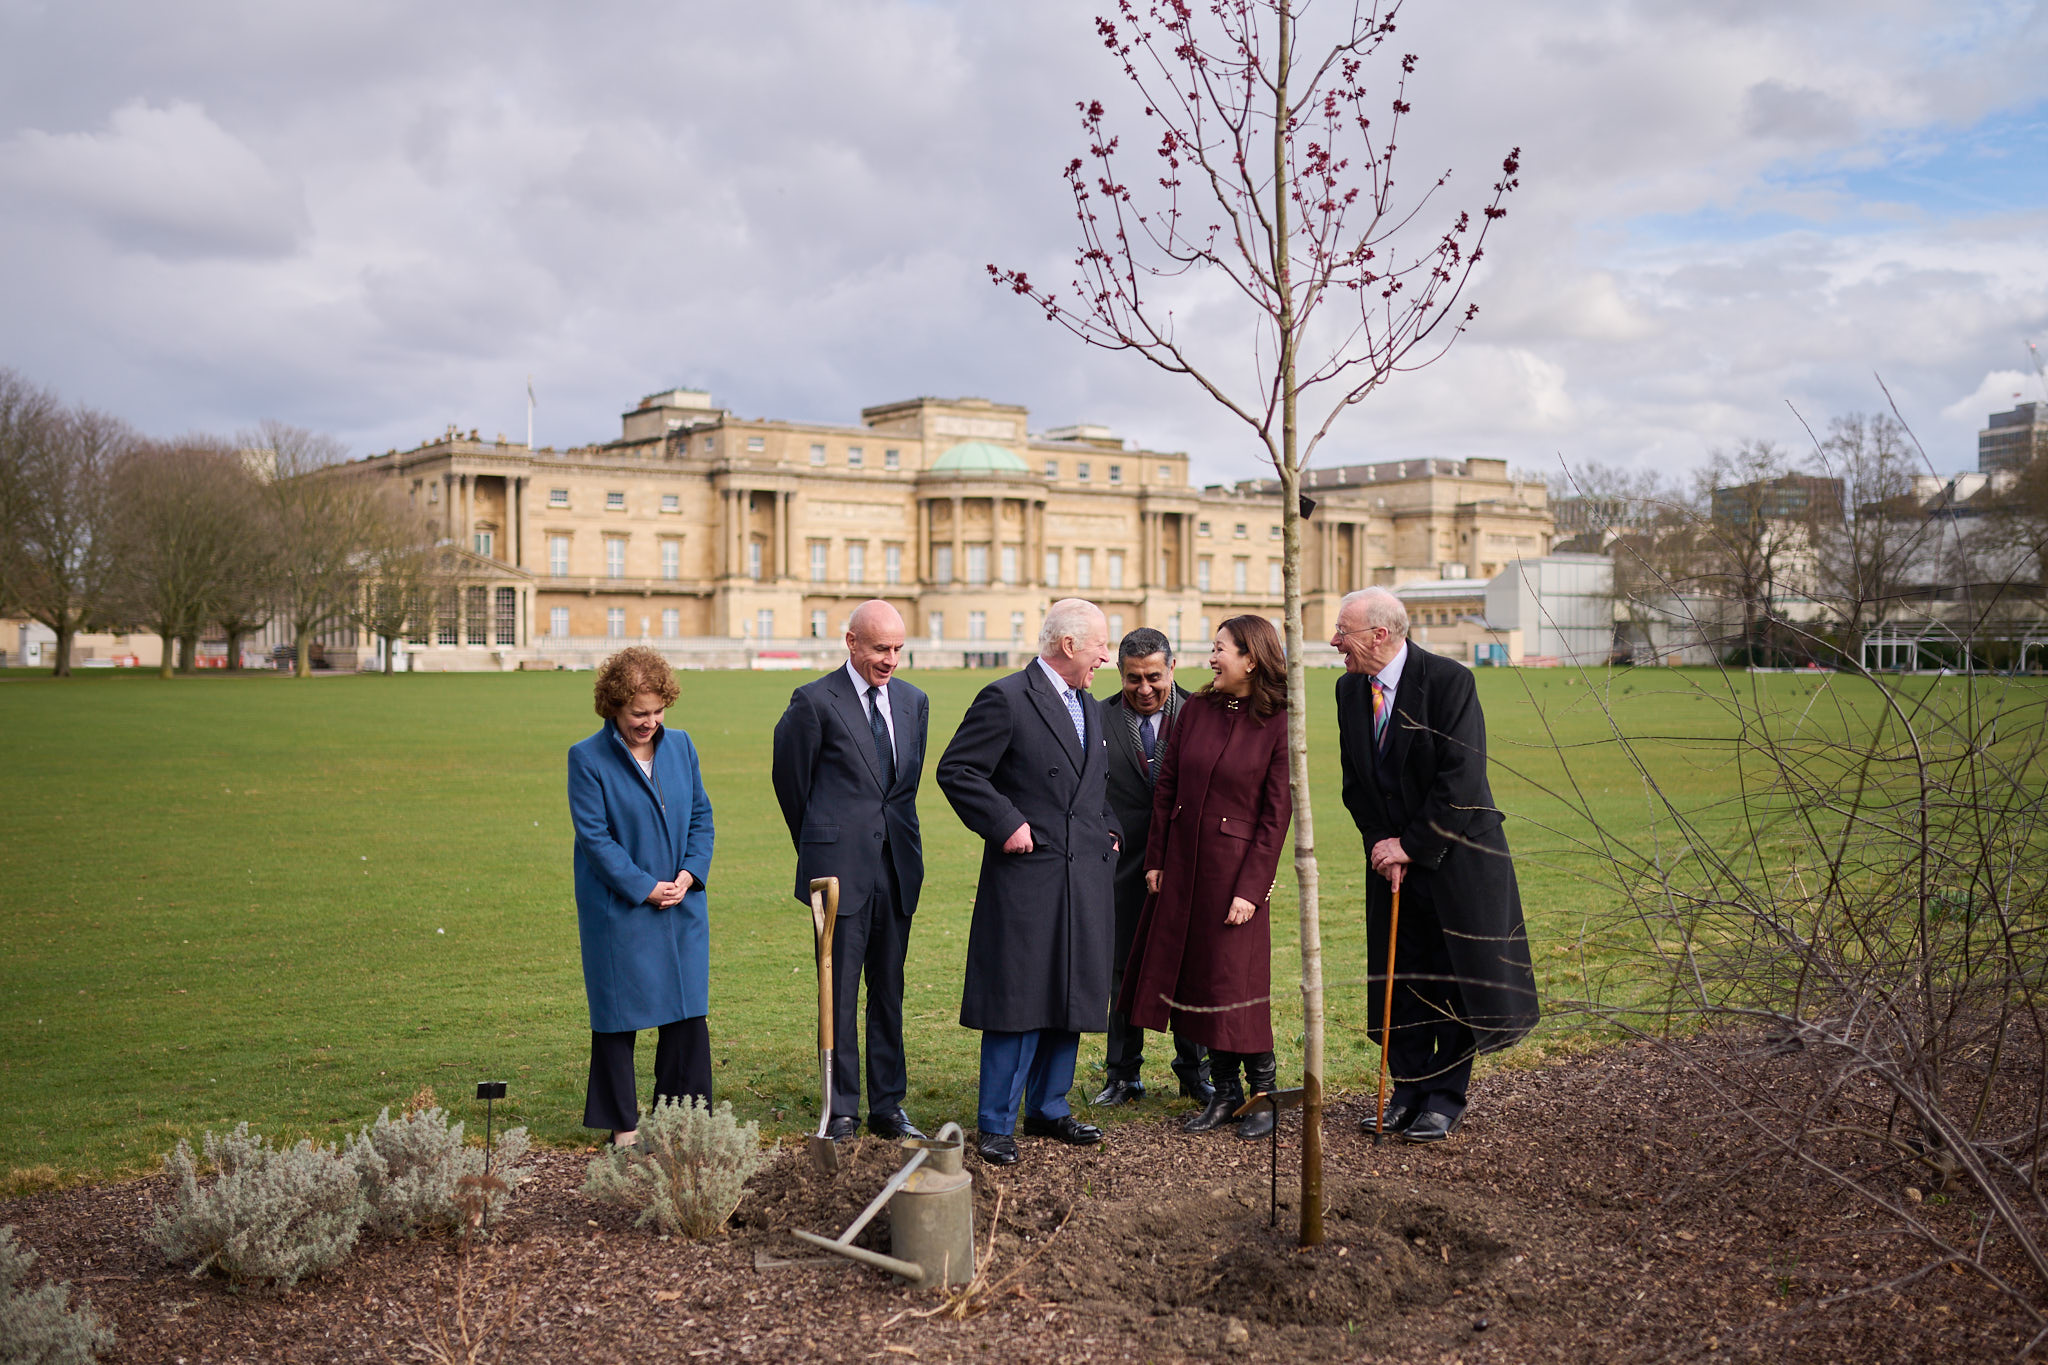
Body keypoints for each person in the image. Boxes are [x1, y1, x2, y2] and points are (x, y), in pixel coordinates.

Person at [1331, 587, 1538, 1143]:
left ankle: (1444, 1098)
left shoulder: (1449, 682)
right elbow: (1356, 782)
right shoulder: (1349, 690)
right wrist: (1381, 843)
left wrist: (1413, 846)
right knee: (1402, 979)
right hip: (1391, 863)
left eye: (1342, 632)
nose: (1333, 642)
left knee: (1452, 982)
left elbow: (1461, 778)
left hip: (1456, 860)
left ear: (1381, 635)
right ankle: (1407, 1090)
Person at [936, 599, 1121, 1166]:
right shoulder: (1006, 697)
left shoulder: (1087, 704)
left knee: (1071, 993)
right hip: (1028, 877)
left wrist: (1109, 830)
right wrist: (1005, 822)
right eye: (1100, 647)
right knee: (1017, 998)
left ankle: (1048, 1108)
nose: (1106, 658)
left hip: (1084, 874)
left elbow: (1094, 787)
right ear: (1069, 646)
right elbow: (958, 770)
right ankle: (995, 1121)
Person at [1120, 616, 1293, 1139]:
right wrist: (1156, 858)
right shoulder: (1197, 707)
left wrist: (1252, 889)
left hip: (1233, 877)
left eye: (1220, 649)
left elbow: (1275, 814)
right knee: (1197, 982)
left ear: (1251, 658)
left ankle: (1263, 1097)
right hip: (1183, 869)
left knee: (1235, 986)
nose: (1211, 658)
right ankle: (1226, 1095)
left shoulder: (1282, 720)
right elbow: (1167, 783)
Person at [770, 599, 929, 1142]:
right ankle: (841, 1109)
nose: (891, 659)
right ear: (852, 642)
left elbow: (902, 791)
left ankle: (888, 1106)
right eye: (881, 648)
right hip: (836, 875)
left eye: (898, 649)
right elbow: (791, 785)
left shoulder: (914, 702)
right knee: (837, 993)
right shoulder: (813, 701)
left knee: (889, 991)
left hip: (898, 869)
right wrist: (819, 846)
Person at [568, 646, 716, 1148]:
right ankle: (624, 1129)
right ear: (613, 707)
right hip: (620, 910)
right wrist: (643, 887)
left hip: (682, 903)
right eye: (638, 714)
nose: (649, 722)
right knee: (617, 1019)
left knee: (687, 1014)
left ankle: (684, 1122)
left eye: (657, 712)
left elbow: (701, 815)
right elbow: (595, 839)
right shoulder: (586, 759)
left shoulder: (684, 747)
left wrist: (690, 874)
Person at [1092, 627, 1212, 1109]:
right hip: (1121, 867)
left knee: (1191, 968)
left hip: (1189, 864)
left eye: (1155, 678)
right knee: (1122, 970)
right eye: (1134, 679)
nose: (1145, 689)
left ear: (1173, 668)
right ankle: (1122, 1074)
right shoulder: (1096, 717)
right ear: (1120, 674)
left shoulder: (1202, 715)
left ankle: (1195, 1071)